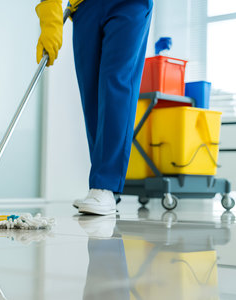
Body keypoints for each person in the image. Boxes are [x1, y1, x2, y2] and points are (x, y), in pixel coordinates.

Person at [36, 0, 153, 215]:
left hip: (129, 4)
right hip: (85, 7)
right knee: (91, 92)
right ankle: (104, 187)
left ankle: (105, 185)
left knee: (116, 85)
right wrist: (49, 19)